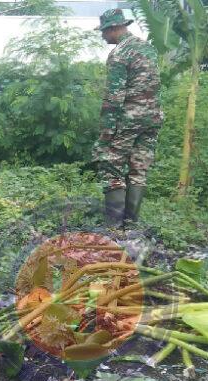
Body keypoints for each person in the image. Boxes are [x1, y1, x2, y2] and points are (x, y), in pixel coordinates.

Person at [92, 8, 163, 228]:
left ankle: (113, 227)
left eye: (104, 31)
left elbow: (114, 97)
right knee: (139, 167)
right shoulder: (147, 47)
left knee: (110, 164)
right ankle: (131, 224)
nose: (103, 36)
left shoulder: (119, 54)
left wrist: (106, 132)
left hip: (129, 118)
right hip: (152, 116)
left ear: (114, 28)